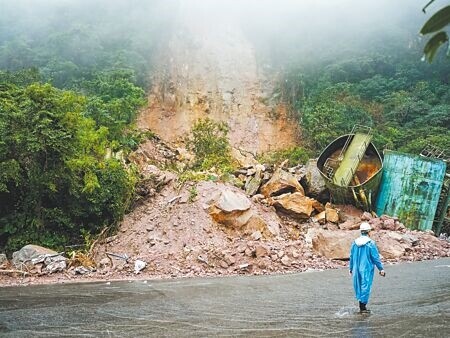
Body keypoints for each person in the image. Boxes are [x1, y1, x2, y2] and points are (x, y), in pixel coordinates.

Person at [349, 222, 385, 313]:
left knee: (358, 285)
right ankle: (363, 307)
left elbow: (352, 256)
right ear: (369, 231)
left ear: (361, 231)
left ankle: (361, 306)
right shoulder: (370, 243)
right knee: (366, 286)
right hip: (366, 268)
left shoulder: (354, 243)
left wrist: (350, 268)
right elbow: (375, 257)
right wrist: (381, 269)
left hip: (356, 269)